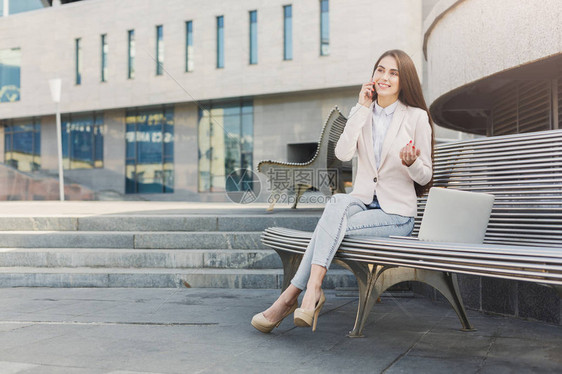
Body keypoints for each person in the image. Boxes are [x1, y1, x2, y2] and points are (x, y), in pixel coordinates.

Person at [251, 49, 434, 333]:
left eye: (393, 73)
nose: (384, 77)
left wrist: (411, 163)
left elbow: (427, 173)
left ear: (404, 80)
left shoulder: (417, 117)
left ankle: (292, 297)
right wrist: (361, 109)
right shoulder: (362, 112)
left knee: (330, 226)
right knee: (337, 203)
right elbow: (343, 153)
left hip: (397, 214)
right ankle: (311, 290)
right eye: (380, 70)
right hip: (361, 201)